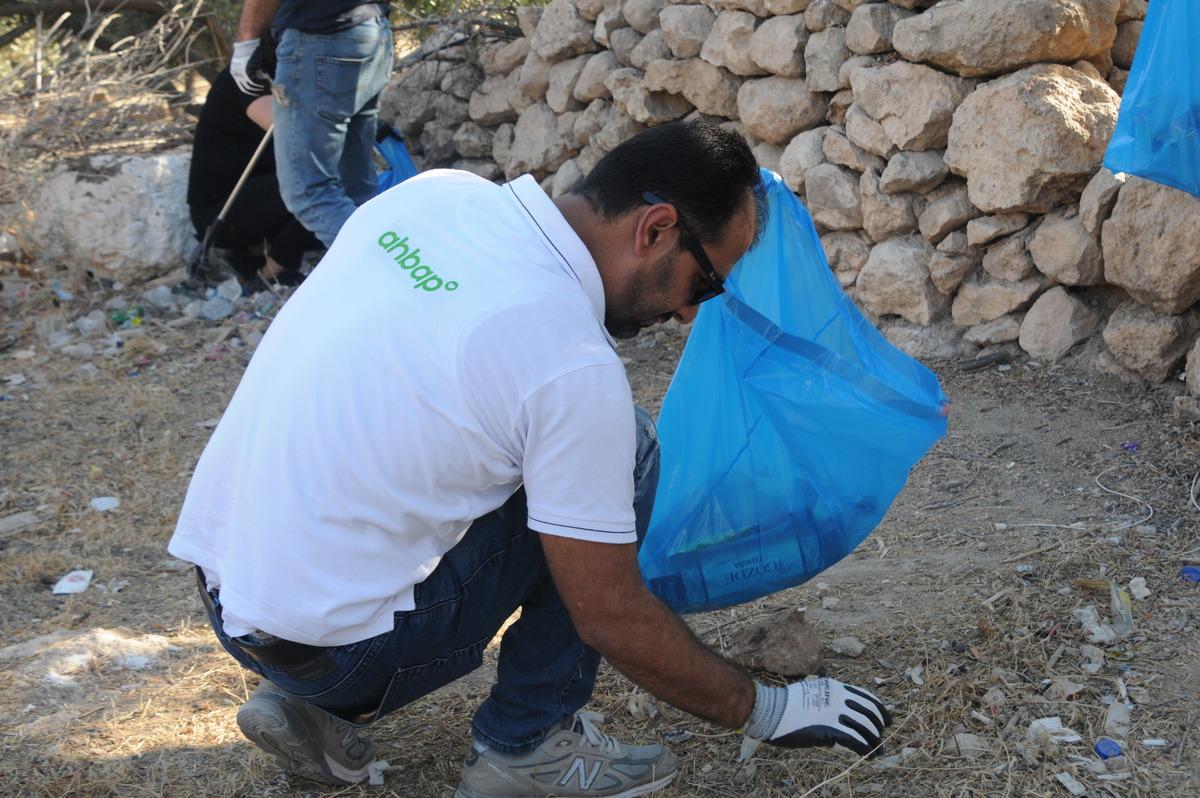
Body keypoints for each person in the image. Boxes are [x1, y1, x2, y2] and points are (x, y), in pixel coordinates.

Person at [168, 120, 892, 797]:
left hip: (230, 603)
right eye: (703, 283)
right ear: (655, 229)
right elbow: (608, 614)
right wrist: (764, 708)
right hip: (343, 655)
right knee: (628, 451)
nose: (688, 313)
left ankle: (306, 702)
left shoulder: (433, 197)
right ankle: (527, 745)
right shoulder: (569, 364)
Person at [231, 0, 394, 248]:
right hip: (371, 29)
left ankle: (388, 267)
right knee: (357, 188)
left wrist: (247, 40)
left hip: (320, 35)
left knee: (308, 192)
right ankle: (411, 263)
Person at [188, 65, 320, 287]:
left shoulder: (292, 75)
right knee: (317, 184)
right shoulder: (246, 76)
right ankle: (267, 276)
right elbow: (289, 130)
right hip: (221, 211)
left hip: (260, 196)